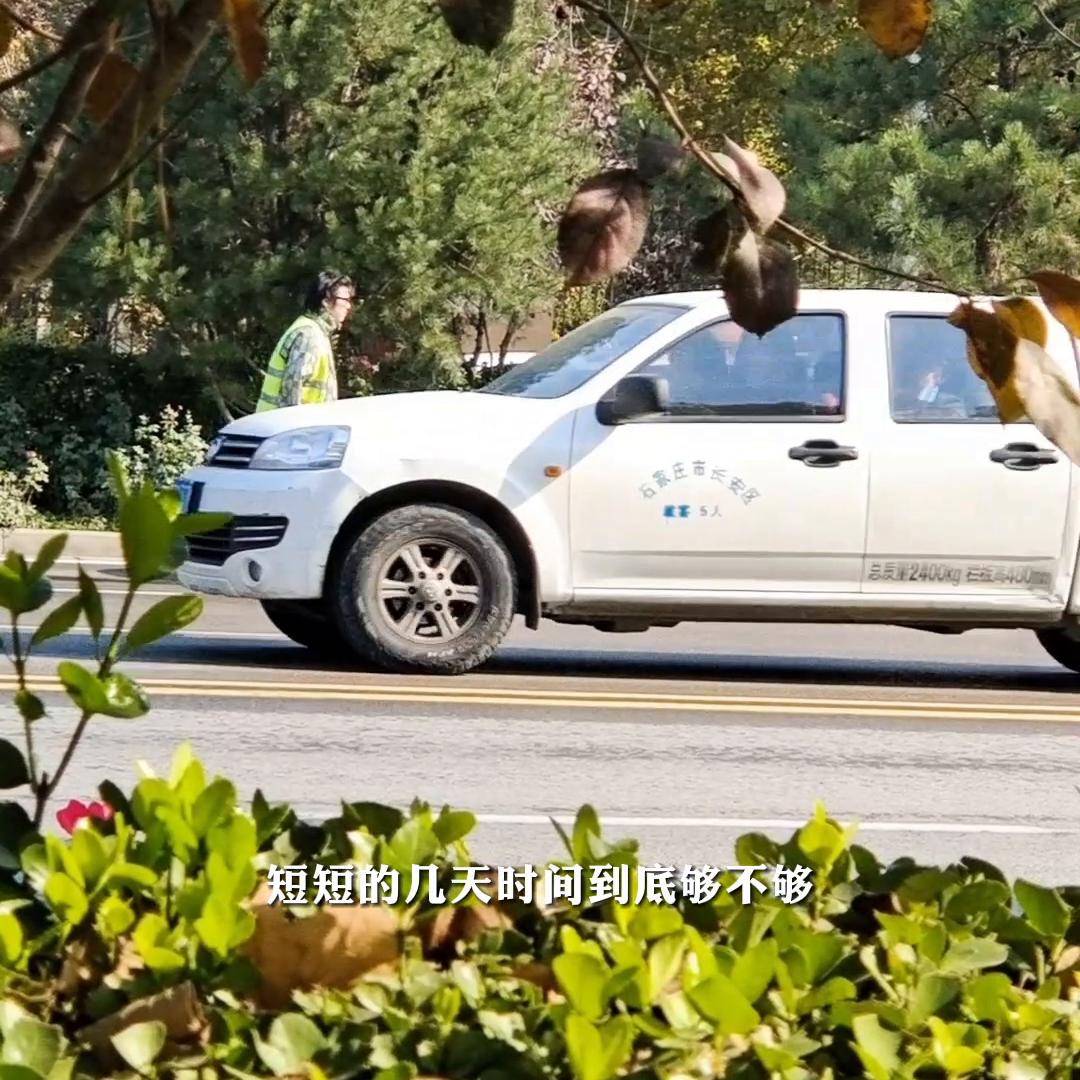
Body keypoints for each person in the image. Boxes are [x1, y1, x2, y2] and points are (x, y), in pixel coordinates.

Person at [256, 271, 356, 412]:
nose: (349, 306)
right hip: (283, 429)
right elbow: (292, 393)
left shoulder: (315, 331)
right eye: (345, 300)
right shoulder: (309, 335)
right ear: (326, 300)